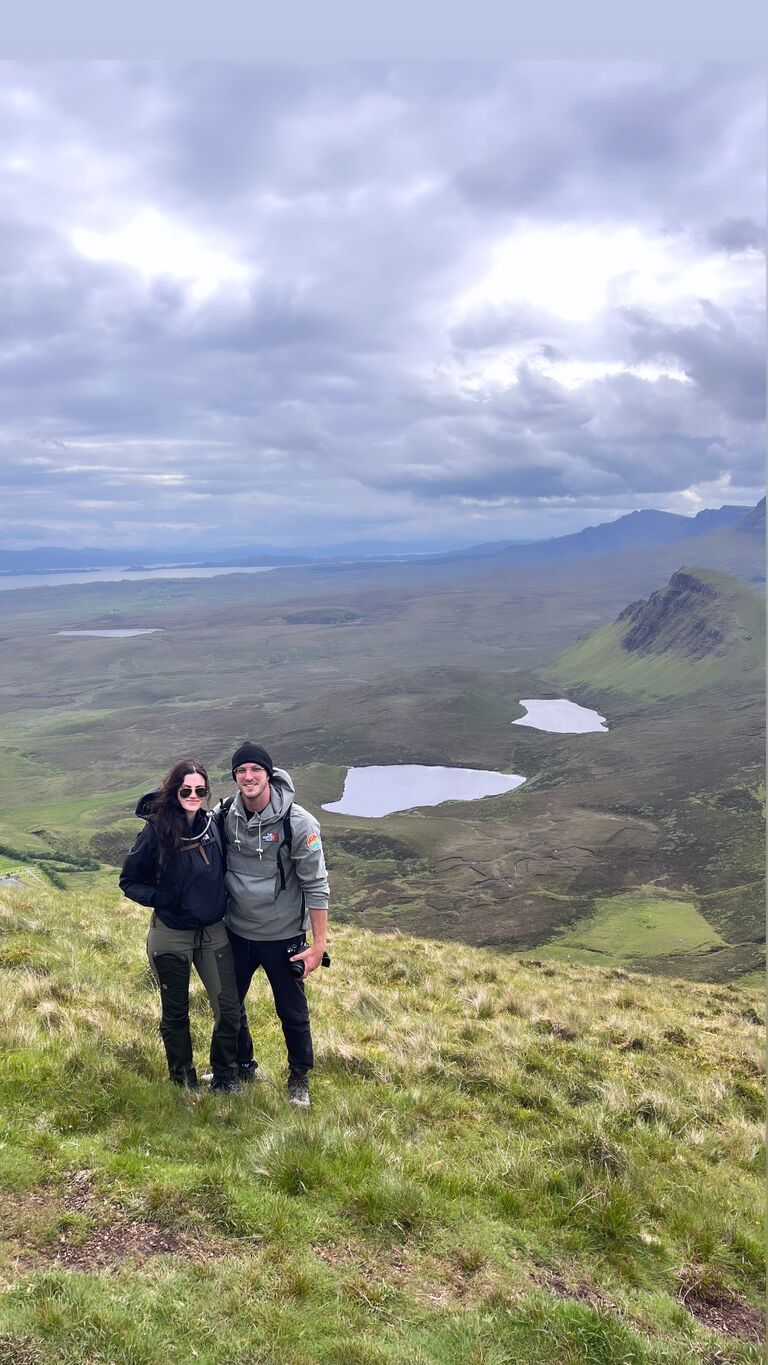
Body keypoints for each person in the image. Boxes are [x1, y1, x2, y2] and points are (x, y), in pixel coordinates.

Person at [215, 742, 329, 1109]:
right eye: (241, 771)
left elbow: (316, 885)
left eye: (255, 770)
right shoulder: (223, 815)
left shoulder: (299, 823)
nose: (248, 777)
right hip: (237, 932)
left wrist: (318, 945)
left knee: (292, 1012)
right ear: (235, 777)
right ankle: (241, 1066)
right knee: (229, 1005)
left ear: (268, 774)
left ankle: (299, 1078)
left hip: (283, 937)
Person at [119, 758, 241, 1092]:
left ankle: (225, 1077)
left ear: (206, 793)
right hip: (171, 934)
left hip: (213, 932)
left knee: (228, 1009)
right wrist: (163, 898)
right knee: (176, 1013)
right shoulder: (156, 830)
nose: (193, 795)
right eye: (185, 789)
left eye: (200, 790)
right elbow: (129, 881)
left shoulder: (213, 825)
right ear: (174, 791)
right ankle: (183, 1081)